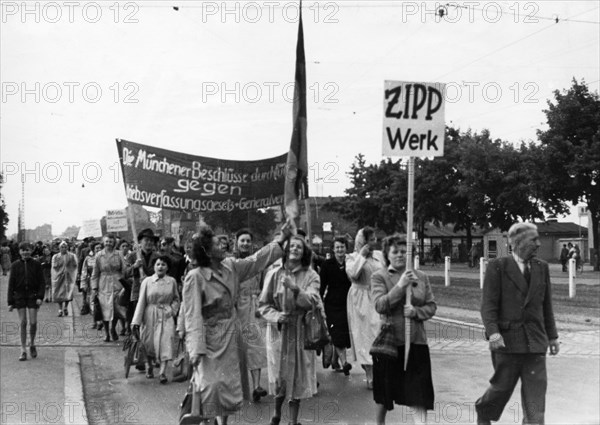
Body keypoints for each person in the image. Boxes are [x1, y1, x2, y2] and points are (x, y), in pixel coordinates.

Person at [182, 222, 291, 425]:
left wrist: (281, 239)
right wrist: (195, 349)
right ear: (207, 251)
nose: (223, 246)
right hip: (209, 339)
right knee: (210, 385)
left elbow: (256, 261)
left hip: (231, 334)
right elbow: (192, 315)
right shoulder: (195, 277)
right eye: (217, 244)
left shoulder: (231, 266)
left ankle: (221, 422)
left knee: (228, 384)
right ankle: (205, 418)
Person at [476, 222, 559, 425]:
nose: (539, 244)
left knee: (536, 403)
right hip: (507, 343)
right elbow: (488, 305)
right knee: (500, 390)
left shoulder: (542, 268)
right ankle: (483, 411)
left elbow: (546, 305)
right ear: (517, 242)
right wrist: (493, 332)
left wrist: (553, 336)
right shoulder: (498, 267)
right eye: (534, 239)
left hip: (536, 343)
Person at [371, 235, 436, 424]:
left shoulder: (421, 277)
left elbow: (431, 306)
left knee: (419, 393)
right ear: (387, 254)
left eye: (404, 251)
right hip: (390, 343)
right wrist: (400, 286)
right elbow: (380, 305)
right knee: (385, 393)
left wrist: (416, 311)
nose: (400, 255)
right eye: (395, 251)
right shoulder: (379, 276)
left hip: (416, 342)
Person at [259, 234, 322, 425]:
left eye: (299, 247)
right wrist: (277, 316)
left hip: (301, 330)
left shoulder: (311, 275)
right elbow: (263, 304)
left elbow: (312, 302)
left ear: (304, 252)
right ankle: (277, 412)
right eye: (291, 246)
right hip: (280, 331)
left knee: (298, 377)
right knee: (280, 374)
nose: (294, 249)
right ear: (285, 251)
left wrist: (296, 289)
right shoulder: (274, 273)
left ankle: (294, 421)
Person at [346, 227, 385, 389]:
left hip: (377, 297)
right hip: (360, 299)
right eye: (371, 239)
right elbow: (353, 275)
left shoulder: (380, 256)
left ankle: (378, 371)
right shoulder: (352, 257)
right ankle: (369, 374)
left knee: (378, 333)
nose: (374, 242)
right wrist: (361, 256)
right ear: (363, 242)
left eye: (375, 239)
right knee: (363, 336)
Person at [131, 255, 180, 384]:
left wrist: (172, 310)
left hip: (166, 314)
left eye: (163, 264)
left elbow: (176, 299)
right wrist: (136, 321)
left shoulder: (172, 281)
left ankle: (163, 372)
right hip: (150, 314)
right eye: (158, 264)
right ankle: (149, 366)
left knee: (166, 342)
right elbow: (141, 301)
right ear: (153, 267)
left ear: (167, 267)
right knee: (149, 342)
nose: (160, 267)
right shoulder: (147, 281)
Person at [234, 228, 269, 402]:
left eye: (248, 241)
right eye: (242, 241)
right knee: (238, 348)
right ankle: (238, 387)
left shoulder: (257, 263)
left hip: (254, 306)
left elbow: (263, 285)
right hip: (237, 308)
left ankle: (256, 386)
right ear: (237, 242)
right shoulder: (231, 263)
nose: (245, 244)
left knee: (255, 346)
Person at [319, 237, 352, 375]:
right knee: (337, 332)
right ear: (333, 249)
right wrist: (319, 303)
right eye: (337, 247)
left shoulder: (350, 263)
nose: (340, 250)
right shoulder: (327, 265)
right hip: (332, 304)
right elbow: (322, 286)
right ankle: (345, 363)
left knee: (343, 334)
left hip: (348, 303)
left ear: (346, 248)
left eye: (342, 247)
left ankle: (335, 360)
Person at [7, 242, 45, 361]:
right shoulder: (15, 265)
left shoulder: (37, 264)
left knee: (33, 322)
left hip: (33, 296)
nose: (25, 252)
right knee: (23, 322)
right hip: (20, 296)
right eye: (23, 250)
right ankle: (23, 349)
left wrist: (40, 296)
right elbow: (11, 284)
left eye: (27, 250)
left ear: (31, 251)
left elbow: (42, 282)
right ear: (19, 252)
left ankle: (32, 344)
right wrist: (10, 302)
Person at [91, 234, 129, 342]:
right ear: (104, 242)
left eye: (110, 242)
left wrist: (124, 282)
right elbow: (95, 273)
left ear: (114, 243)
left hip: (117, 283)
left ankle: (113, 328)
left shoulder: (119, 254)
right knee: (104, 309)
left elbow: (124, 269)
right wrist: (94, 287)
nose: (108, 244)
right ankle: (106, 332)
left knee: (116, 308)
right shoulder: (99, 255)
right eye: (107, 241)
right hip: (103, 284)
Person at [51, 240, 78, 317]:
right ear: (59, 248)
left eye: (65, 247)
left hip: (68, 277)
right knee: (59, 292)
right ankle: (60, 309)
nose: (64, 248)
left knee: (68, 292)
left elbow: (75, 265)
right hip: (59, 276)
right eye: (62, 247)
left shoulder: (71, 256)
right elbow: (54, 266)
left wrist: (70, 268)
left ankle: (66, 307)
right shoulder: (55, 256)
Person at [81, 242, 103, 325]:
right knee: (92, 301)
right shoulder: (88, 259)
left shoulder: (104, 257)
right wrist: (84, 284)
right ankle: (95, 320)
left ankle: (100, 320)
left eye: (100, 247)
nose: (99, 249)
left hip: (103, 282)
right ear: (93, 249)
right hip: (91, 283)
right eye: (97, 248)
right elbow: (84, 271)